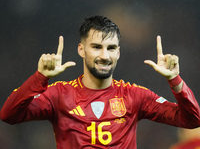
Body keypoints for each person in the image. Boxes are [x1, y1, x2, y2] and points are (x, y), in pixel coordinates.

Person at [1, 15, 200, 149]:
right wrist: (40, 77)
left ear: (118, 52)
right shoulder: (59, 94)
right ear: (81, 49)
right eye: (96, 47)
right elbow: (9, 115)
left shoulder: (135, 95)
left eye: (111, 48)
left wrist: (175, 79)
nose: (105, 56)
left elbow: (192, 120)